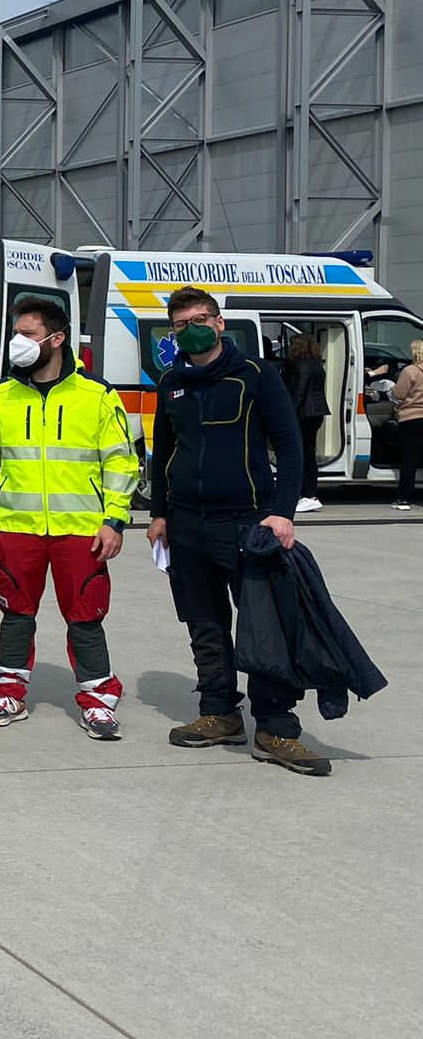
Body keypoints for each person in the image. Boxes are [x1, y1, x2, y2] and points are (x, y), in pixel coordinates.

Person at [146, 286, 325, 774]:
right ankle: (218, 712)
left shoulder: (255, 375)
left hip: (245, 521)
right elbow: (164, 451)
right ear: (173, 331)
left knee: (264, 626)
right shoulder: (171, 382)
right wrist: (159, 513)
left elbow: (290, 446)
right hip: (185, 523)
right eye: (181, 324)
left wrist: (283, 512)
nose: (192, 329)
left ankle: (275, 727)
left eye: (200, 318)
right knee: (203, 622)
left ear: (221, 323)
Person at [0, 298, 138, 739]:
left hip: (80, 531)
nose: (18, 343)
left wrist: (114, 520)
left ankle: (98, 700)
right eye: (16, 333)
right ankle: (8, 691)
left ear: (57, 339)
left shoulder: (96, 396)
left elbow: (121, 461)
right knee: (16, 611)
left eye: (28, 334)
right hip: (19, 529)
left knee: (85, 614)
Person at [283, 333, 329, 513]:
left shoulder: (301, 366)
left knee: (297, 454)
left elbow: (299, 393)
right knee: (309, 454)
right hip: (316, 413)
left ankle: (307, 494)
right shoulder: (317, 365)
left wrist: (288, 416)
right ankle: (311, 494)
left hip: (303, 414)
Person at [391, 339, 423, 510]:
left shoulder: (410, 371)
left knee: (409, 460)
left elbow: (399, 393)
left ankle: (403, 499)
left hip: (411, 418)